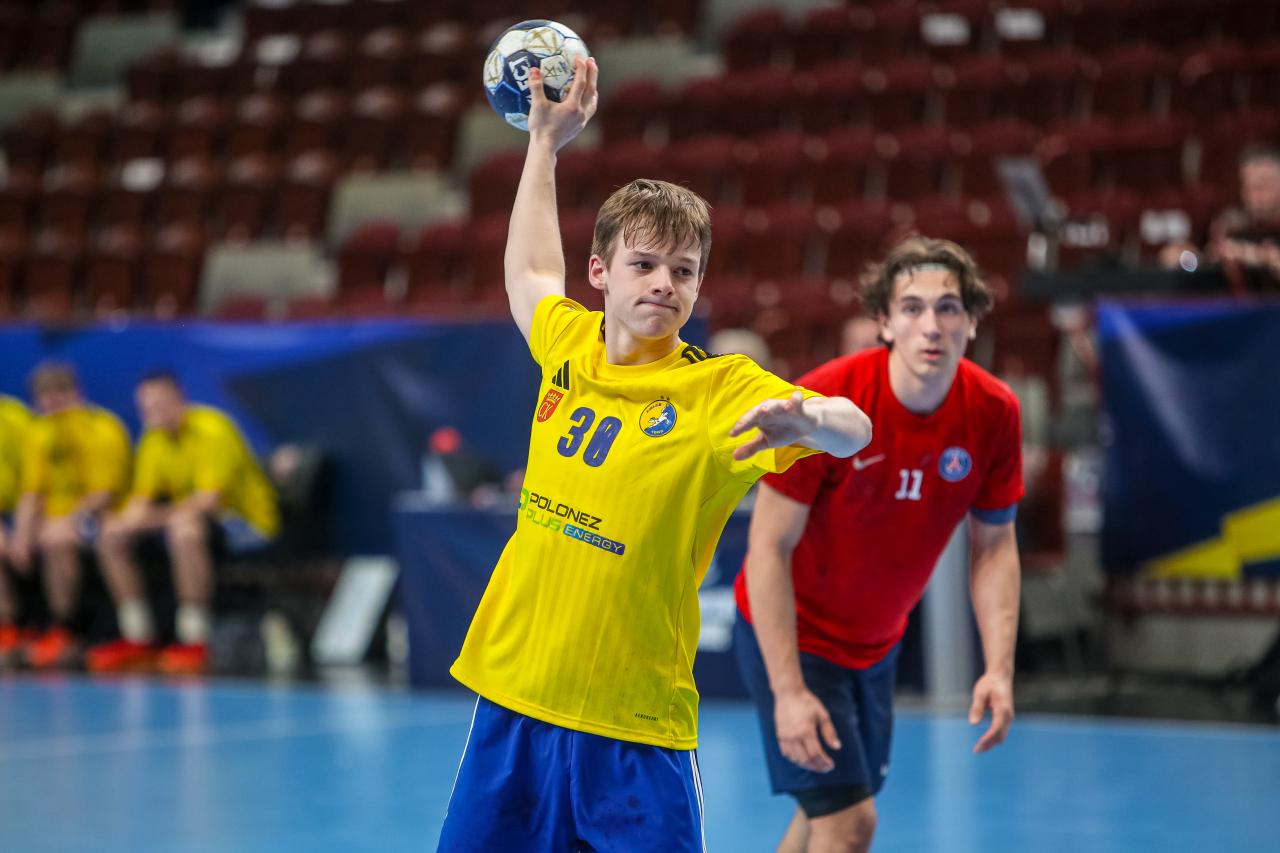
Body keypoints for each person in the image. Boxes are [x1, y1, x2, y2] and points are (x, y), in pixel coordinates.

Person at [437, 57, 873, 852]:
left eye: (684, 270)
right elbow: (529, 269)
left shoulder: (718, 390)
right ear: (600, 272)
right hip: (513, 696)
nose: (664, 283)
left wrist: (808, 418)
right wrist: (544, 145)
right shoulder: (568, 344)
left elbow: (857, 428)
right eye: (643, 264)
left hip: (635, 725)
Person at [735, 237, 1024, 853]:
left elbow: (995, 546)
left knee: (822, 817)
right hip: (795, 634)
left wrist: (998, 669)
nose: (931, 325)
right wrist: (789, 691)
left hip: (874, 648)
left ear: (972, 322)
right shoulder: (824, 403)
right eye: (912, 308)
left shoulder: (994, 411)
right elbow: (768, 549)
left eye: (948, 308)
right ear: (884, 322)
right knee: (850, 823)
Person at [86, 371, 279, 675]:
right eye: (146, 408)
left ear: (180, 399)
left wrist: (145, 521)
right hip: (190, 521)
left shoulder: (213, 428)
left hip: (245, 524)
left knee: (185, 528)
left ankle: (194, 637)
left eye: (160, 404)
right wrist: (122, 523)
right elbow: (141, 501)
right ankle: (137, 635)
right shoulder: (152, 439)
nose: (153, 413)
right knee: (111, 536)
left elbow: (208, 502)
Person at [6, 363, 131, 669]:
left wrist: (68, 521)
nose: (52, 404)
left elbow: (103, 494)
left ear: (76, 393)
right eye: (44, 397)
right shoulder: (40, 432)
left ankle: (65, 628)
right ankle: (11, 629)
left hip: (99, 516)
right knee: (17, 541)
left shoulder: (101, 427)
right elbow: (32, 493)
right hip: (53, 520)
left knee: (57, 541)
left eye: (59, 395)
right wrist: (21, 535)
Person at [1160, 146, 1280, 291]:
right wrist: (1188, 258)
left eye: (1262, 186)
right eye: (1247, 187)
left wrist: (1257, 255)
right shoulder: (1233, 226)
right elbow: (1203, 262)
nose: (1253, 196)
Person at [0, 393, 33, 664]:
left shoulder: (16, 416)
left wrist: (21, 533)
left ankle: (10, 631)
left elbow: (33, 483)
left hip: (22, 514)